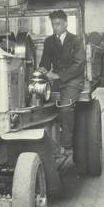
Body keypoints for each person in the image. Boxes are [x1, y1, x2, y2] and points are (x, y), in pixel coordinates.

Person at [38, 9, 86, 153]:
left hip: (73, 80)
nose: (55, 27)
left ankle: (66, 145)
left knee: (65, 109)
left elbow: (79, 65)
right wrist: (42, 70)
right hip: (55, 81)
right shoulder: (49, 41)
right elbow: (45, 63)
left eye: (58, 24)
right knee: (39, 106)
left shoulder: (76, 40)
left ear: (66, 24)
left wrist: (59, 76)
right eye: (53, 24)